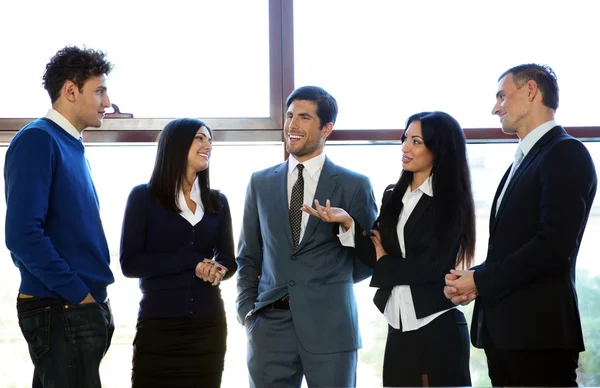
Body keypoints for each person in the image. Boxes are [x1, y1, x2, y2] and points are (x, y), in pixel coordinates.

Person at [445, 64, 597, 387]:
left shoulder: (566, 153)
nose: (495, 107)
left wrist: (481, 281)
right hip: (509, 338)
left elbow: (553, 245)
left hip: (538, 339)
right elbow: (513, 246)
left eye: (502, 95)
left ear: (531, 91)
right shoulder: (526, 159)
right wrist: (473, 277)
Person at [305, 111, 475, 387]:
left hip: (437, 327)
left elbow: (432, 267)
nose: (405, 147)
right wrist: (348, 222)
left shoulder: (452, 201)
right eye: (405, 138)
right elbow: (374, 253)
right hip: (398, 326)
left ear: (438, 148)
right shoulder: (392, 194)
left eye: (416, 141)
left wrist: (385, 260)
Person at [236, 85, 377, 387]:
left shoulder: (355, 185)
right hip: (269, 331)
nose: (292, 125)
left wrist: (348, 228)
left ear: (327, 128)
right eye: (289, 116)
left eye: (303, 117)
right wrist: (247, 313)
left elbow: (370, 261)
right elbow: (248, 255)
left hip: (332, 328)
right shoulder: (260, 183)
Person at [4, 46, 115, 387]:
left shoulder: (71, 145)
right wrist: (78, 295)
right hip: (62, 307)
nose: (107, 102)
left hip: (74, 307)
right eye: (99, 90)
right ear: (70, 91)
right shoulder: (38, 140)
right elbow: (22, 236)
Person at [120, 118, 236, 388]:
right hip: (159, 329)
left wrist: (217, 270)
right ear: (176, 145)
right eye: (200, 138)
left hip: (209, 329)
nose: (208, 145)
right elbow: (130, 263)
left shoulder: (217, 201)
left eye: (209, 140)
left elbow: (229, 261)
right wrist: (191, 262)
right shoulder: (143, 198)